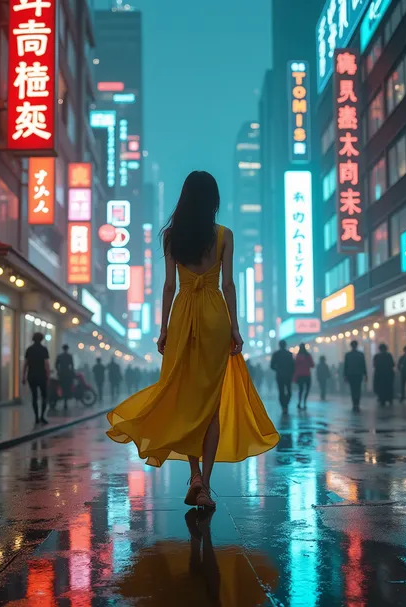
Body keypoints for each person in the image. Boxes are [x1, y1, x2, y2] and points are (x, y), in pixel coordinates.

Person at [107, 171, 279, 509]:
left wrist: (163, 329)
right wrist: (234, 328)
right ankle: (206, 485)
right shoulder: (224, 235)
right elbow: (228, 285)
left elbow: (169, 287)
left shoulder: (171, 236)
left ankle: (195, 473)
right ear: (213, 201)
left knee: (185, 396)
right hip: (215, 316)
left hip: (183, 315)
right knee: (210, 404)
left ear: (184, 198)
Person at [22, 332, 50, 424]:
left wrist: (23, 376)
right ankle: (42, 416)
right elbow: (46, 364)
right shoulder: (44, 349)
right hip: (42, 375)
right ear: (42, 339)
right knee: (44, 396)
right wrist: (48, 375)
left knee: (34, 396)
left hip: (31, 375)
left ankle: (36, 417)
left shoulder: (29, 349)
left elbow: (25, 364)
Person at [270, 340, 295, 413]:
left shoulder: (276, 354)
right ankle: (286, 404)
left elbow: (272, 366)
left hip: (280, 376)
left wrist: (278, 369)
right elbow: (293, 366)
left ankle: (283, 406)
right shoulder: (289, 354)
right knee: (289, 391)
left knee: (281, 392)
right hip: (288, 376)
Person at [344, 341, 367, 410]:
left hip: (351, 374)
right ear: (357, 345)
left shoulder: (348, 355)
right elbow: (363, 365)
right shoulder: (361, 354)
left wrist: (345, 375)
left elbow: (346, 366)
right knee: (358, 388)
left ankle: (354, 403)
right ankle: (357, 403)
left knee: (353, 389)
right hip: (358, 374)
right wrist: (365, 374)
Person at [293, 344, 315, 409]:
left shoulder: (298, 356)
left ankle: (299, 403)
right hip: (307, 375)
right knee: (307, 390)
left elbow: (295, 365)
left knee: (301, 390)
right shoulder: (308, 356)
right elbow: (312, 365)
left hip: (300, 376)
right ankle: (304, 403)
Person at [55, 344, 74, 409]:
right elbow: (72, 365)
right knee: (67, 387)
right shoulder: (69, 356)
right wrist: (72, 372)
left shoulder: (59, 356)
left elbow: (56, 365)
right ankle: (65, 401)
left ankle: (61, 398)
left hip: (61, 373)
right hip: (68, 373)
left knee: (62, 387)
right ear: (67, 349)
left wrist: (58, 371)